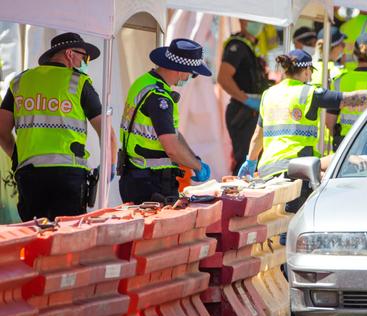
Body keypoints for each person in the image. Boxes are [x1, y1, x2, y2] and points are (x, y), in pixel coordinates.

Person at [237, 50, 367, 206]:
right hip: (296, 169)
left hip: (267, 169)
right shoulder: (309, 92)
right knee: (344, 162)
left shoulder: (269, 94)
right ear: (307, 71)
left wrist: (250, 162)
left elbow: (257, 136)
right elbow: (349, 99)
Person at [0, 32, 117, 221]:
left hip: (30, 175)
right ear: (70, 54)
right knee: (68, 238)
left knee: (34, 235)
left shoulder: (20, 82)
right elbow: (107, 132)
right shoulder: (78, 83)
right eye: (84, 57)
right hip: (68, 176)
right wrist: (109, 166)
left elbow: (2, 130)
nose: (85, 62)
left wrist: (17, 157)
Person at [118, 38, 212, 205]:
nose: (190, 77)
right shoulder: (159, 98)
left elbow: (173, 134)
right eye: (192, 73)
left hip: (136, 177)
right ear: (181, 70)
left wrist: (194, 159)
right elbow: (172, 149)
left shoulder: (144, 83)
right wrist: (197, 166)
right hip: (150, 184)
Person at [217, 19, 271, 174]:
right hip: (243, 111)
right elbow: (223, 77)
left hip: (251, 110)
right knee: (245, 160)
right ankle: (239, 197)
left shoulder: (250, 46)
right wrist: (246, 99)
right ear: (243, 21)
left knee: (254, 159)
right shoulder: (238, 46)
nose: (258, 24)